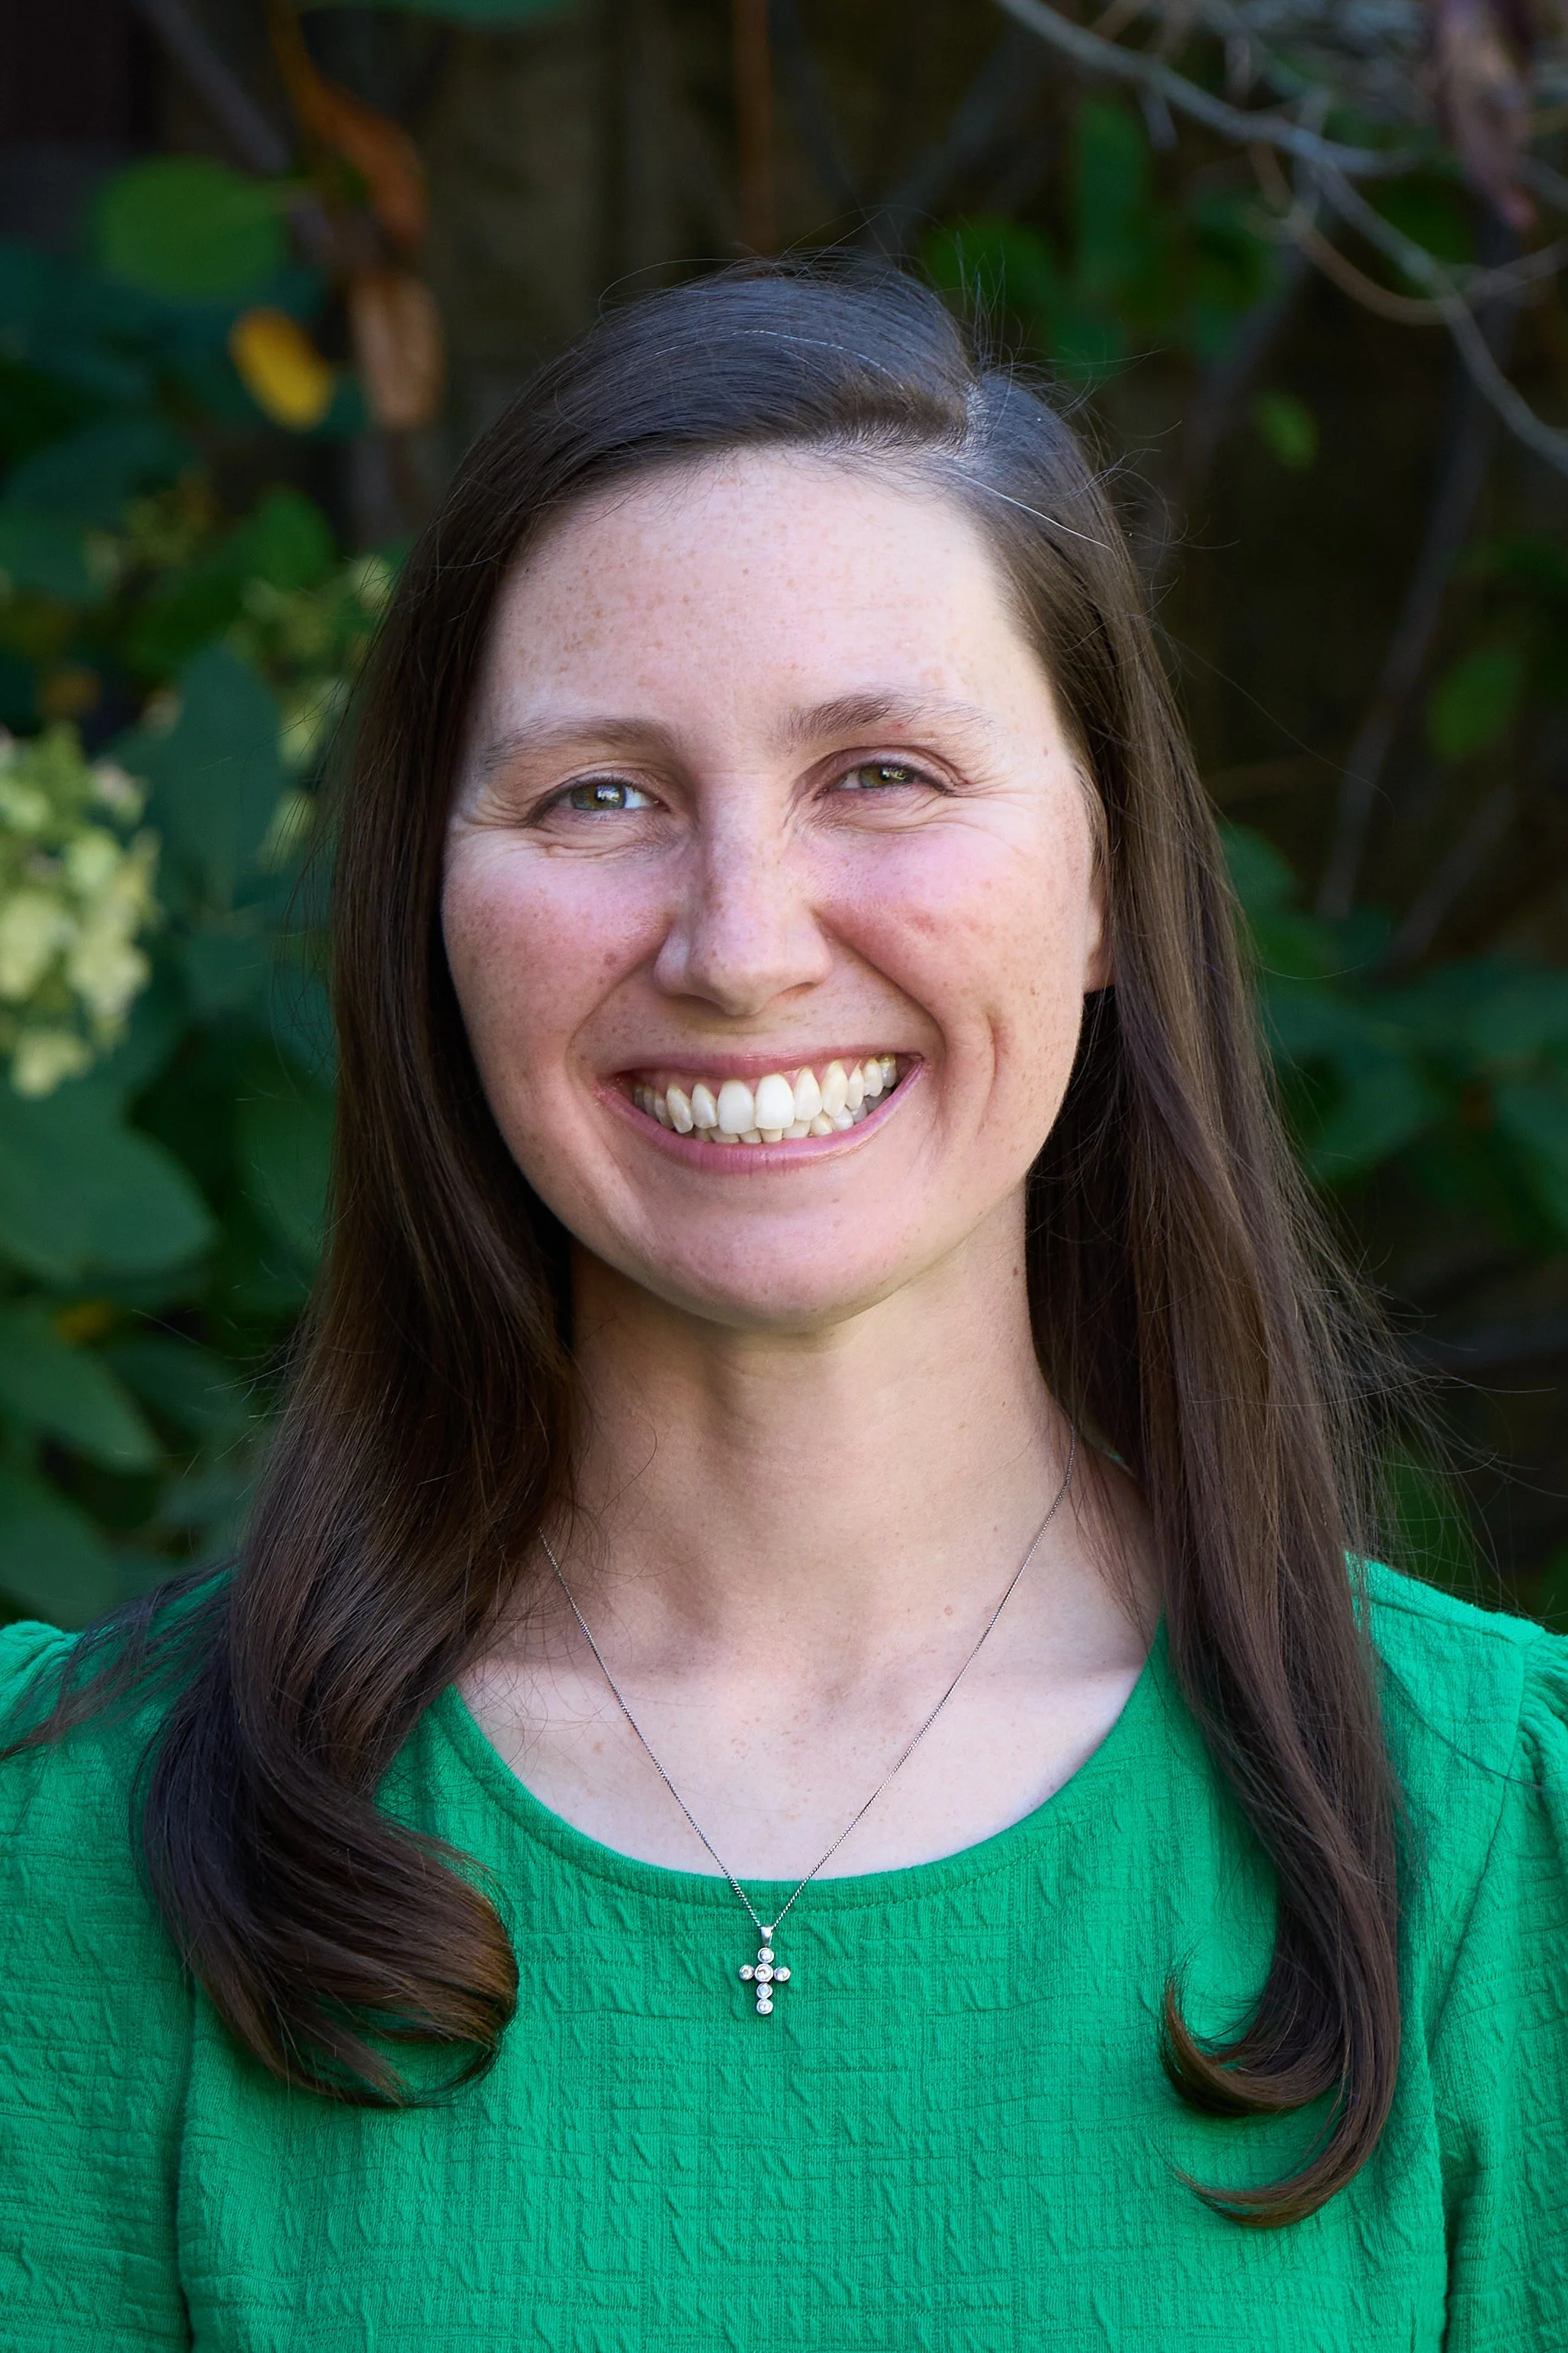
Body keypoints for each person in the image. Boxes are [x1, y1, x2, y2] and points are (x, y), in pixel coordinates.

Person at [2, 262, 1564, 2351]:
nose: (740, 944)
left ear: (1107, 880)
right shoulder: (78, 1853)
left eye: (886, 772)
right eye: (600, 795)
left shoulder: (1497, 1849)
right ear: (434, 913)